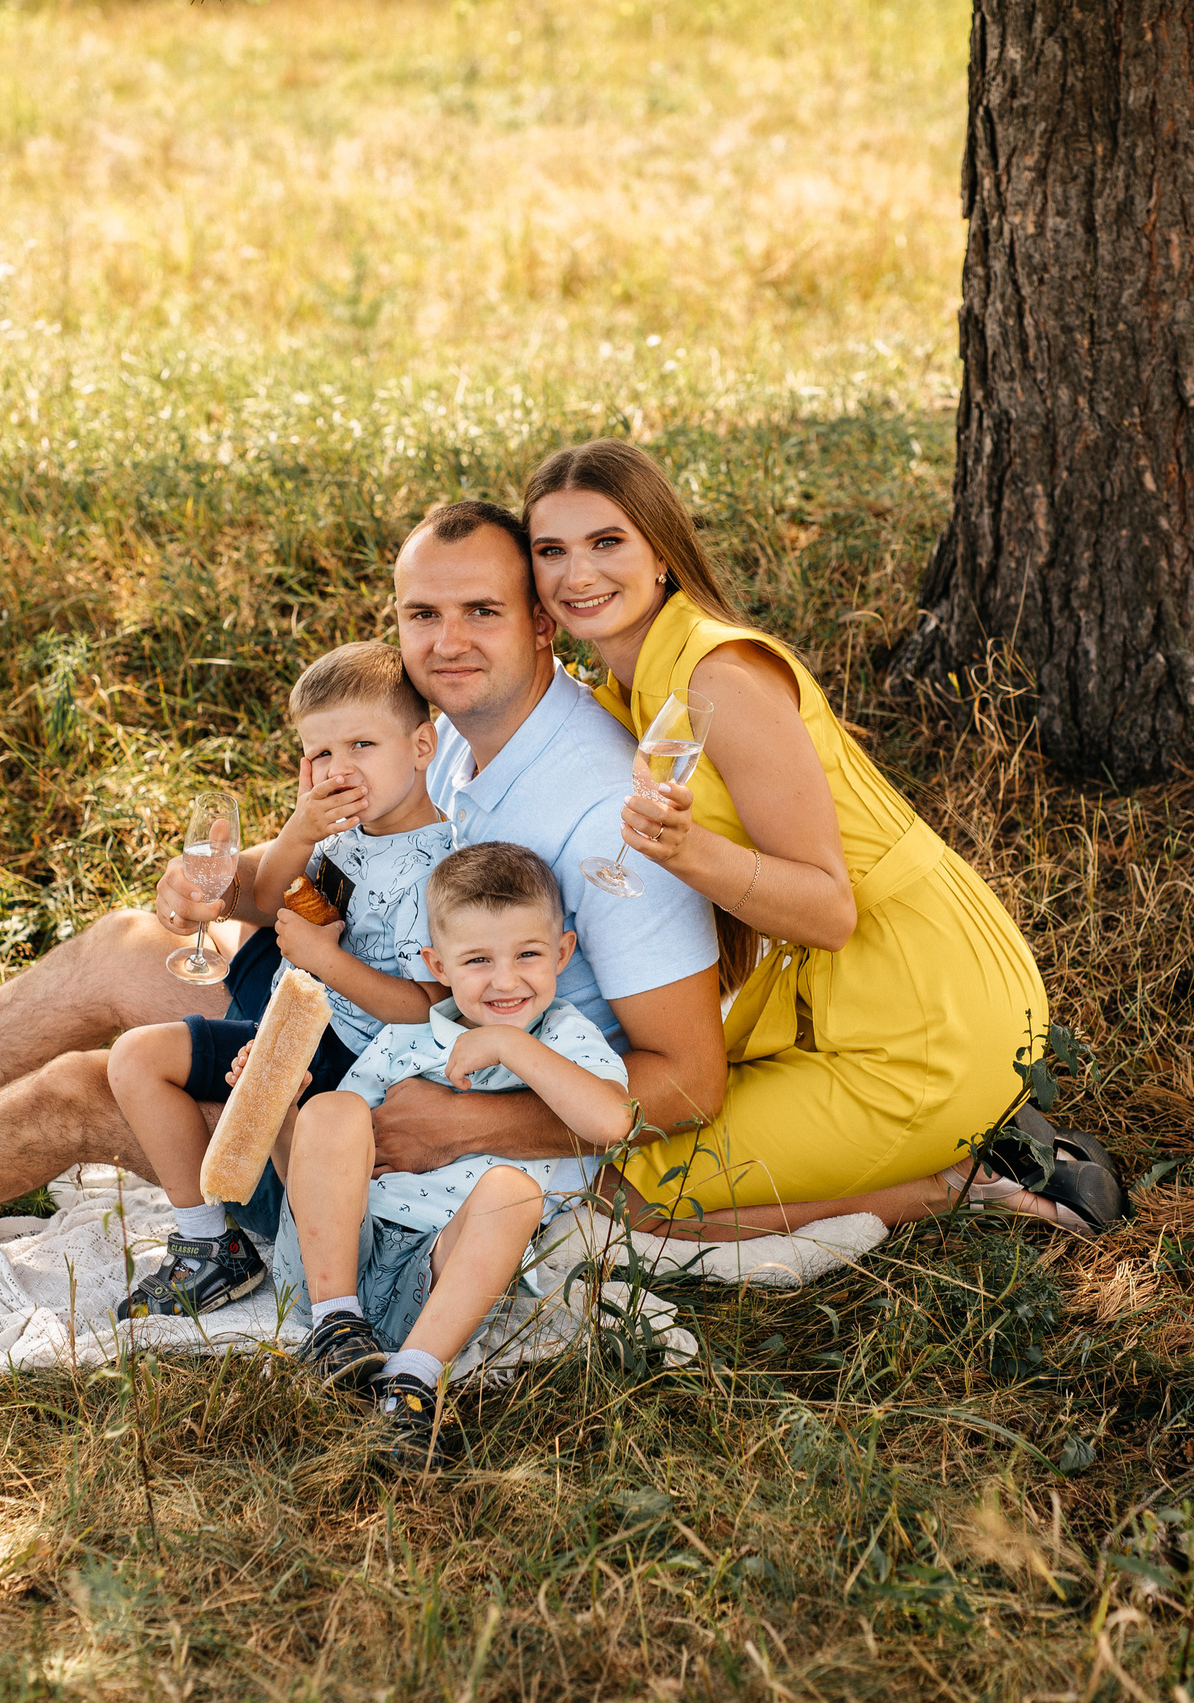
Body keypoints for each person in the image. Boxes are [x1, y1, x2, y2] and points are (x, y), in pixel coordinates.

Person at [0, 500, 728, 1251]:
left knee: (87, 1088)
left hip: (428, 1099)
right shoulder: (455, 730)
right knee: (133, 941)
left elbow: (687, 1077)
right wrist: (228, 895)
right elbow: (354, 884)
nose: (447, 638)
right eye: (423, 612)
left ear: (541, 622)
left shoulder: (597, 804)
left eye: (482, 609)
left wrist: (473, 1119)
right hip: (363, 1019)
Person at [521, 439, 1126, 1237]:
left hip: (923, 1008)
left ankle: (968, 1179)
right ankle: (970, 1141)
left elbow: (830, 909)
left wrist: (686, 850)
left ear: (661, 551)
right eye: (550, 551)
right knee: (623, 1145)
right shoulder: (628, 686)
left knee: (636, 1198)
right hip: (852, 995)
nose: (578, 574)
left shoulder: (716, 678)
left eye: (607, 542)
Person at [105, 640, 455, 1320]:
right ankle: (211, 1246)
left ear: (421, 745)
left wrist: (327, 963)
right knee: (134, 1058)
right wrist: (299, 826)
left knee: (244, 1091)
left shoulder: (437, 871)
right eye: (321, 753)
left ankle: (308, 1259)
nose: (339, 769)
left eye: (361, 744)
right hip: (286, 1021)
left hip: (349, 1060)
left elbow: (426, 1010)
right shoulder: (340, 829)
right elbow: (265, 895)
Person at [281, 842, 632, 1465]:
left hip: (446, 1276)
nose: (505, 980)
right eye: (477, 960)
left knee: (512, 1193)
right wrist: (287, 1109)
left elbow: (612, 1122)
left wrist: (510, 1046)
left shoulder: (565, 1039)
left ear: (563, 953)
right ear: (436, 964)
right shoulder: (408, 1037)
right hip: (337, 1259)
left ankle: (412, 1382)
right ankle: (334, 1329)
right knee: (333, 1109)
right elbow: (331, 1163)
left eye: (528, 954)